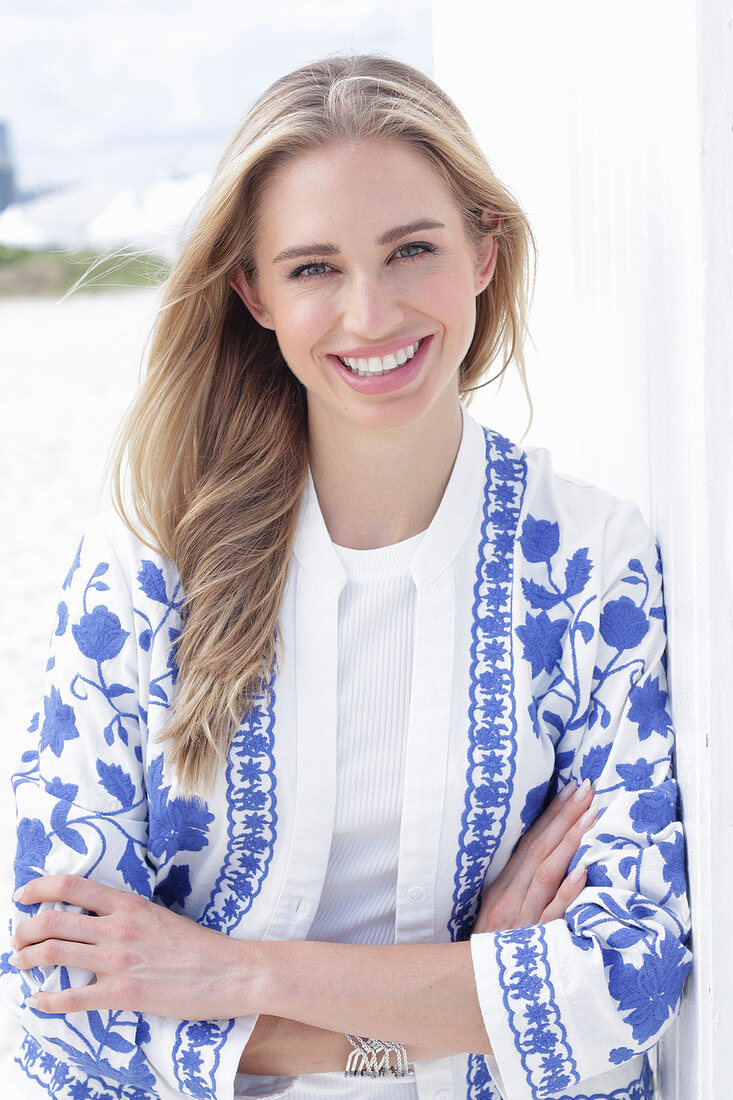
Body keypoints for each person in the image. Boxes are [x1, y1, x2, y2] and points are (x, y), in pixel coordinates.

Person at [2, 53, 691, 1100]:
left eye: (410, 249)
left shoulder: (593, 567)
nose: (369, 313)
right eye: (314, 267)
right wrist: (453, 1009)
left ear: (481, 252)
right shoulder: (143, 571)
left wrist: (233, 972)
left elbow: (627, 980)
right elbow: (58, 982)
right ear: (254, 292)